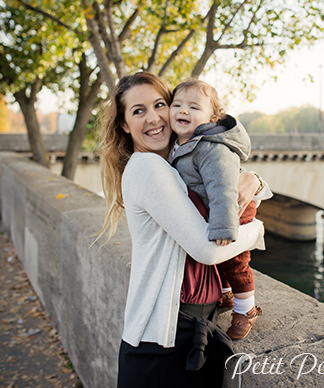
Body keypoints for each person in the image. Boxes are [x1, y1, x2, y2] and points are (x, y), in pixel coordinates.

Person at [97, 71, 269, 388]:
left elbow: (218, 183)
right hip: (164, 340)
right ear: (124, 125)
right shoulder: (147, 166)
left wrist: (252, 179)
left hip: (192, 327)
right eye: (138, 111)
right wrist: (256, 232)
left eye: (160, 104)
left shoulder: (179, 162)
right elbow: (206, 249)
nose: (154, 119)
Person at [169, 78, 262, 340]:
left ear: (213, 117)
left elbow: (223, 189)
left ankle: (247, 309)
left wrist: (224, 224)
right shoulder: (181, 144)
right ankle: (226, 294)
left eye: (194, 107)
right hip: (214, 210)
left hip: (232, 210)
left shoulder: (211, 148)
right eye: (177, 104)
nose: (183, 111)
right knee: (220, 258)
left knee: (235, 261)